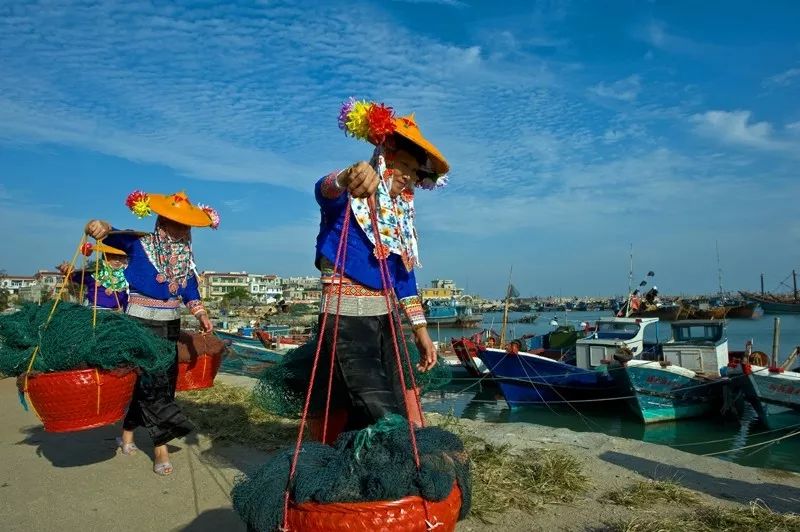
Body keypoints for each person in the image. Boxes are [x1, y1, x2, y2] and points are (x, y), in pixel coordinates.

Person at [313, 100, 446, 430]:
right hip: (346, 322)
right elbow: (324, 191)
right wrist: (348, 176)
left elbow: (404, 278)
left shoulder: (399, 219)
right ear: (384, 156)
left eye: (414, 173)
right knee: (380, 410)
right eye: (403, 166)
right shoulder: (353, 194)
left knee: (392, 403)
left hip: (386, 322)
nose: (408, 177)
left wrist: (422, 333)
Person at [83, 190, 218, 476]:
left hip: (170, 325)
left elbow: (190, 290)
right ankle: (161, 448)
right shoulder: (139, 245)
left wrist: (202, 314)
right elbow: (109, 234)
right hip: (139, 324)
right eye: (177, 224)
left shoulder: (185, 258)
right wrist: (98, 224)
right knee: (150, 384)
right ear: (162, 222)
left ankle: (128, 432)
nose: (182, 231)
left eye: (186, 226)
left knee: (161, 384)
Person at [57, 243, 129, 311]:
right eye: (113, 257)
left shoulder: (126, 280)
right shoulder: (95, 275)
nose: (117, 261)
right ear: (106, 258)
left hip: (115, 317)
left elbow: (127, 300)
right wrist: (68, 270)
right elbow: (76, 276)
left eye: (121, 258)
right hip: (93, 314)